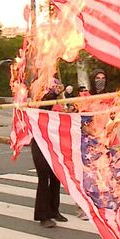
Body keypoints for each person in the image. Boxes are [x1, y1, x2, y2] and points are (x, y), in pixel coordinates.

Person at [32, 80, 68, 228]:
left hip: (55, 143)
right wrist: (53, 93)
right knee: (43, 177)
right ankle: (42, 215)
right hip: (40, 142)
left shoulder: (61, 103)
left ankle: (54, 210)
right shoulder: (40, 100)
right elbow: (44, 106)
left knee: (56, 177)